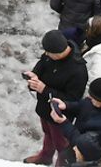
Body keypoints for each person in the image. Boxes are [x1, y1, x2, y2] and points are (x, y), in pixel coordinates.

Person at [22, 29, 89, 165]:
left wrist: (44, 89)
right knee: (47, 133)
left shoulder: (78, 70)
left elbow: (72, 99)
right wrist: (35, 75)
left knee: (62, 144)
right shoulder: (50, 54)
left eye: (48, 53)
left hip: (60, 115)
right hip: (44, 108)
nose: (46, 54)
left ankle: (62, 164)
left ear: (58, 53)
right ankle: (45, 156)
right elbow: (42, 64)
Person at [48, 78, 101, 154]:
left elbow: (86, 146)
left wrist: (64, 123)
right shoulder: (96, 102)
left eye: (92, 98)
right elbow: (83, 105)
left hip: (84, 156)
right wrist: (66, 105)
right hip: (74, 144)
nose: (89, 98)